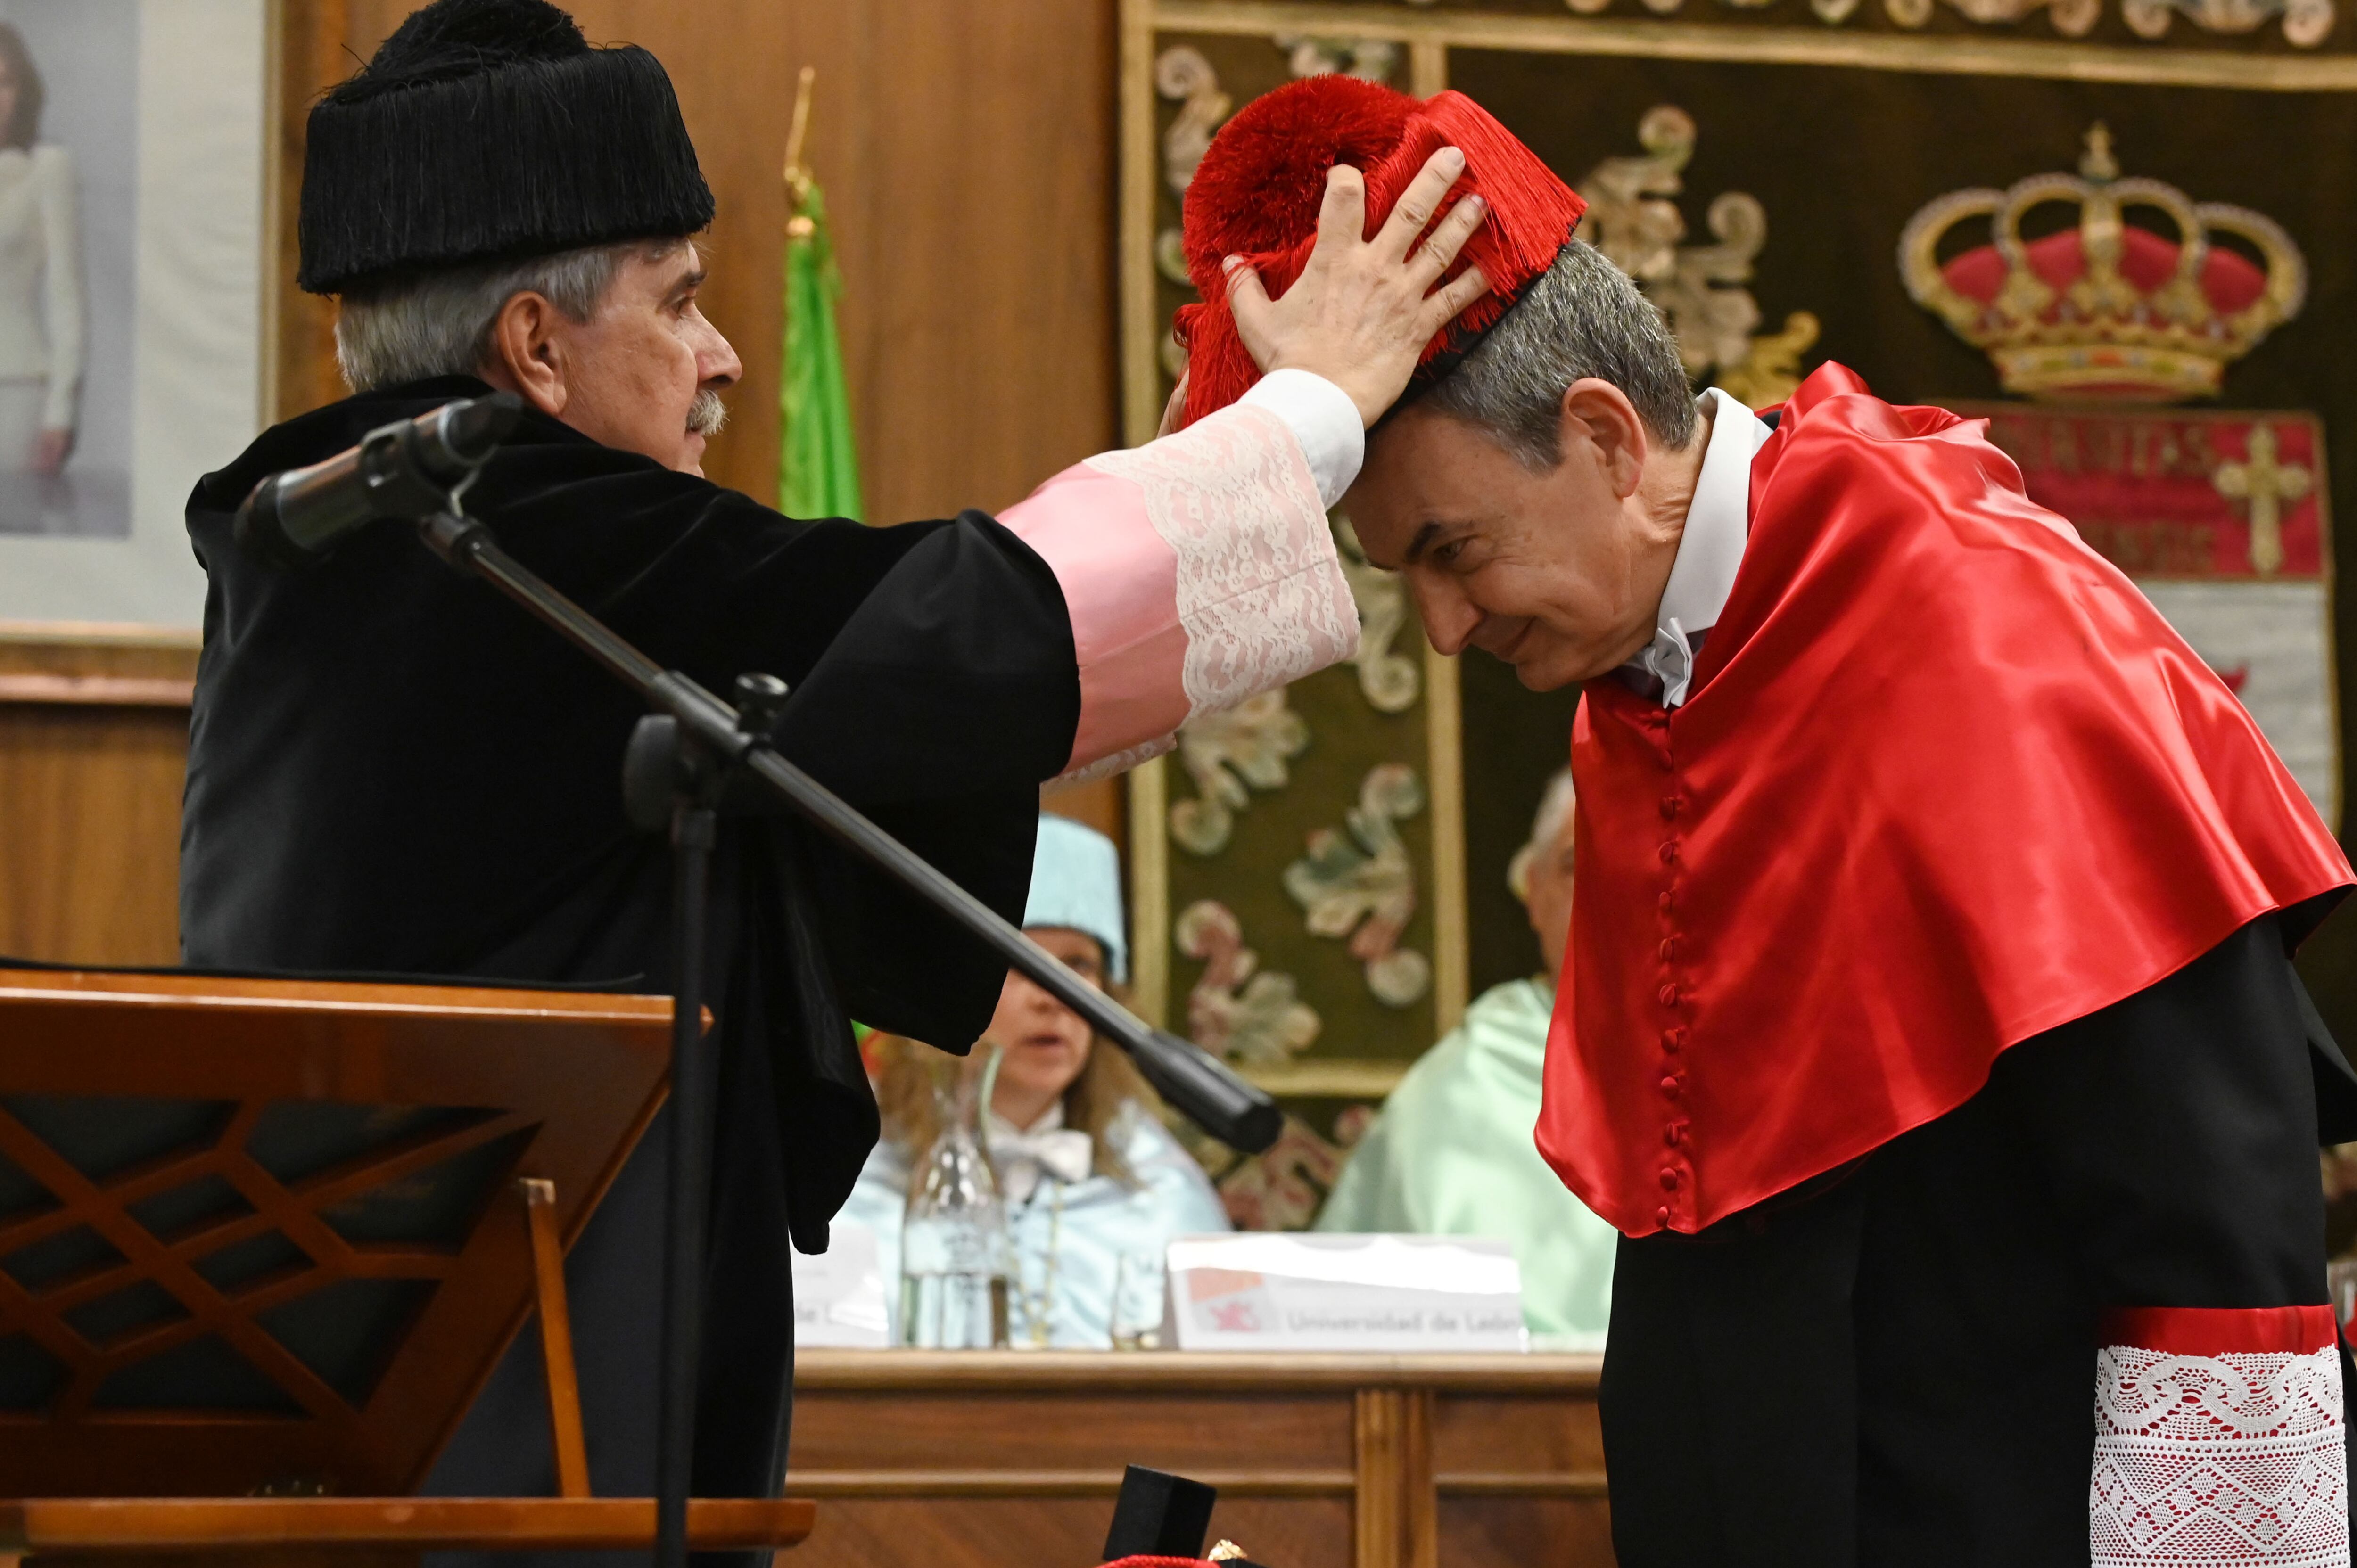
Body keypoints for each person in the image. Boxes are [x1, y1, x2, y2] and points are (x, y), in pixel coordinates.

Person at [176, 3, 1491, 1562]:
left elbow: (904, 693)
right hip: (515, 1444)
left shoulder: (341, 543)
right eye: (680, 303)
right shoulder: (499, 523)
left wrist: (1221, 466)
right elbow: (936, 633)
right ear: (536, 346)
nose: (723, 356)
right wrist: (1313, 415)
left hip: (398, 1398)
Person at [1175, 73, 2357, 1568]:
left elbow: (2209, 1212)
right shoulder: (1656, 673)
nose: (1442, 628)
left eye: (1450, 551)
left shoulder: (1980, 627)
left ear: (1605, 438)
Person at [841, 814, 1229, 1348]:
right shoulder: (854, 1174)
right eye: (1016, 964)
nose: (1052, 997)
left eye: (1079, 966)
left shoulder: (1160, 1189)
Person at [1316, 769, 1616, 1346]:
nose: (1610, 887)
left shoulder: (1761, 1075)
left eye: (1633, 853)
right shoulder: (1461, 1087)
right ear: (1534, 892)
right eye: (1579, 865)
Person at [0, 21, 81, 522]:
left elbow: (67, 296)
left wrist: (60, 412)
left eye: (4, 82)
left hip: (15, 387)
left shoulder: (45, 168)